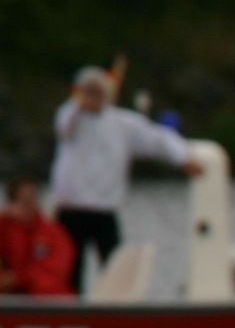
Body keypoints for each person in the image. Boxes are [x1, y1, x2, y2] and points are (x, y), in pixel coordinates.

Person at [48, 64, 196, 293]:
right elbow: (63, 125)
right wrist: (81, 102)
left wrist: (183, 158)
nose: (93, 97)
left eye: (98, 91)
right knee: (69, 268)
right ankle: (69, 305)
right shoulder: (70, 117)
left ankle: (113, 306)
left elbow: (157, 138)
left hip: (104, 211)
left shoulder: (121, 123)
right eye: (88, 91)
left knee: (115, 267)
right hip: (71, 210)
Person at [0, 177, 77, 297]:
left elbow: (57, 266)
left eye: (33, 198)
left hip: (40, 294)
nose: (29, 205)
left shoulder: (52, 232)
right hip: (8, 294)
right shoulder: (4, 227)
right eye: (24, 200)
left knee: (46, 286)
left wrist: (18, 277)